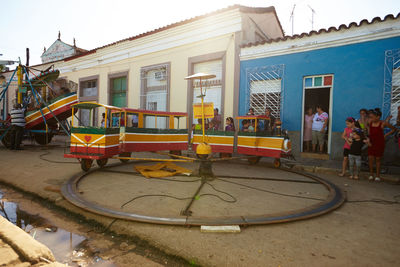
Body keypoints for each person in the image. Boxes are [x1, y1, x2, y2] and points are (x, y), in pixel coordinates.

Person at [367, 108, 397, 182]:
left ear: (378, 117)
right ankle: (371, 174)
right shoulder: (370, 123)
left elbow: (394, 129)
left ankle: (377, 176)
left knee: (378, 159)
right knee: (370, 159)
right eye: (370, 117)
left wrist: (386, 135)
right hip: (371, 143)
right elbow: (369, 131)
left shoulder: (383, 123)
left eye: (372, 117)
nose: (371, 118)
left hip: (379, 143)